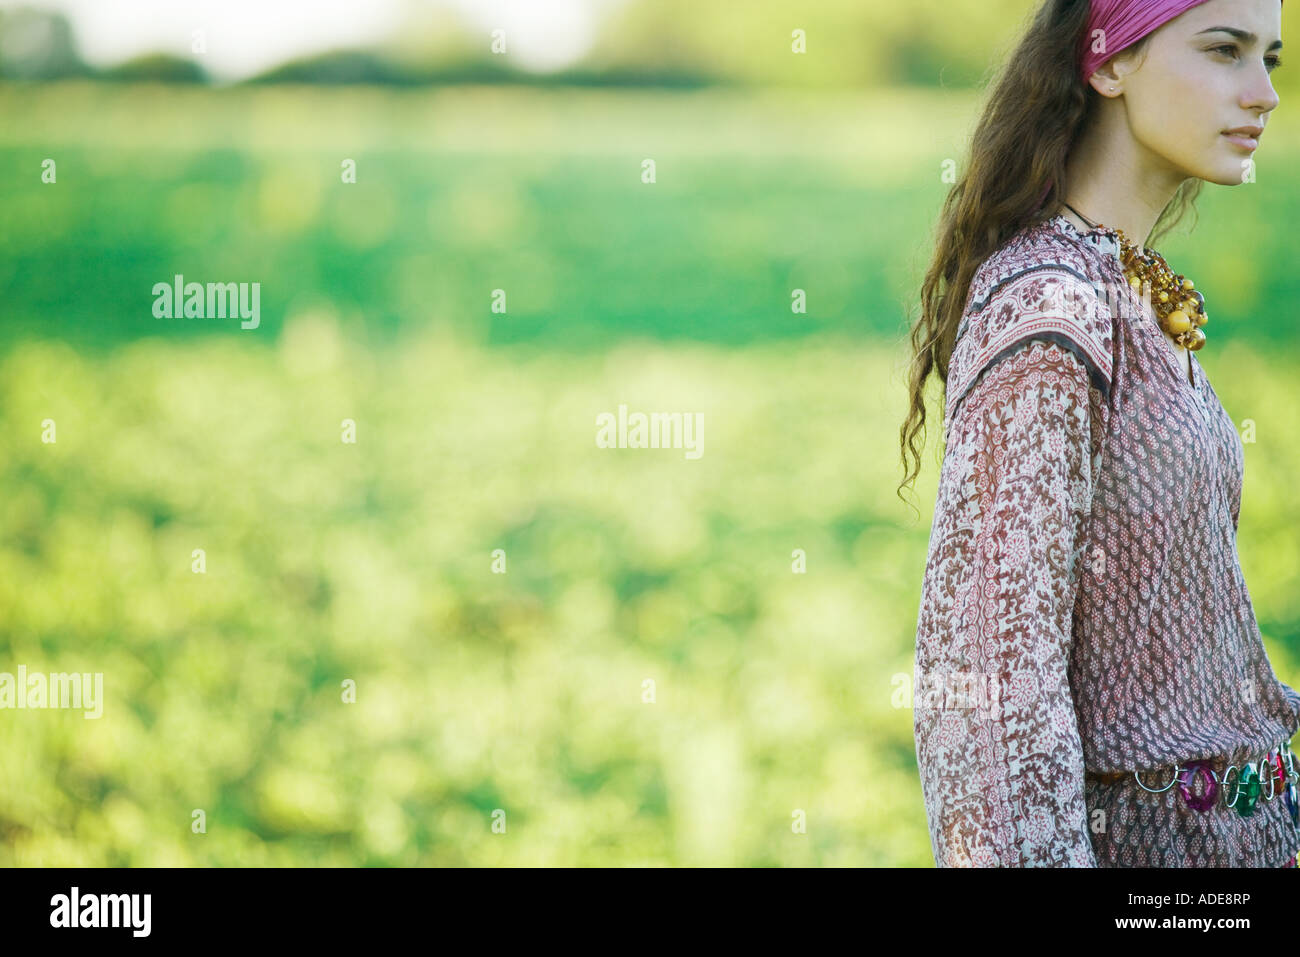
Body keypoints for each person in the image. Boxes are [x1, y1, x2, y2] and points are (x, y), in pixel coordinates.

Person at [897, 0, 1300, 866]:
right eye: (1225, 51)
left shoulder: (1125, 281)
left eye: (1270, 56)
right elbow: (994, 683)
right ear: (1108, 62)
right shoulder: (1049, 304)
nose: (1265, 91)